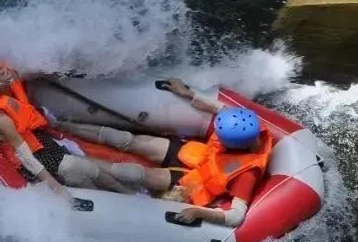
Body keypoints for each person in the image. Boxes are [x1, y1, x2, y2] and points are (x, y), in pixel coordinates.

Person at [53, 79, 274, 227]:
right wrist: (188, 93)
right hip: (195, 155)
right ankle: (64, 126)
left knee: (133, 174)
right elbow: (219, 109)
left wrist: (198, 213)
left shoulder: (247, 174)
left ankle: (72, 161)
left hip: (192, 183)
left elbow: (235, 217)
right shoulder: (241, 122)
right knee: (127, 140)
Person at [0, 56, 177, 201]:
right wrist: (54, 187)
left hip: (44, 142)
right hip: (37, 159)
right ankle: (132, 199)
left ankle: (137, 194)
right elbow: (23, 155)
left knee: (105, 169)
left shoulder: (9, 84)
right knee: (86, 170)